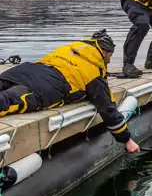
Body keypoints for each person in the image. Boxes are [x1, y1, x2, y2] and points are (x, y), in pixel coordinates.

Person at [0, 30, 141, 154]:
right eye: (109, 57)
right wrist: (127, 140)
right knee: (7, 101)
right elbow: (108, 109)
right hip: (45, 85)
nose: (109, 62)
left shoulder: (68, 49)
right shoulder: (93, 73)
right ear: (105, 53)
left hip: (23, 71)